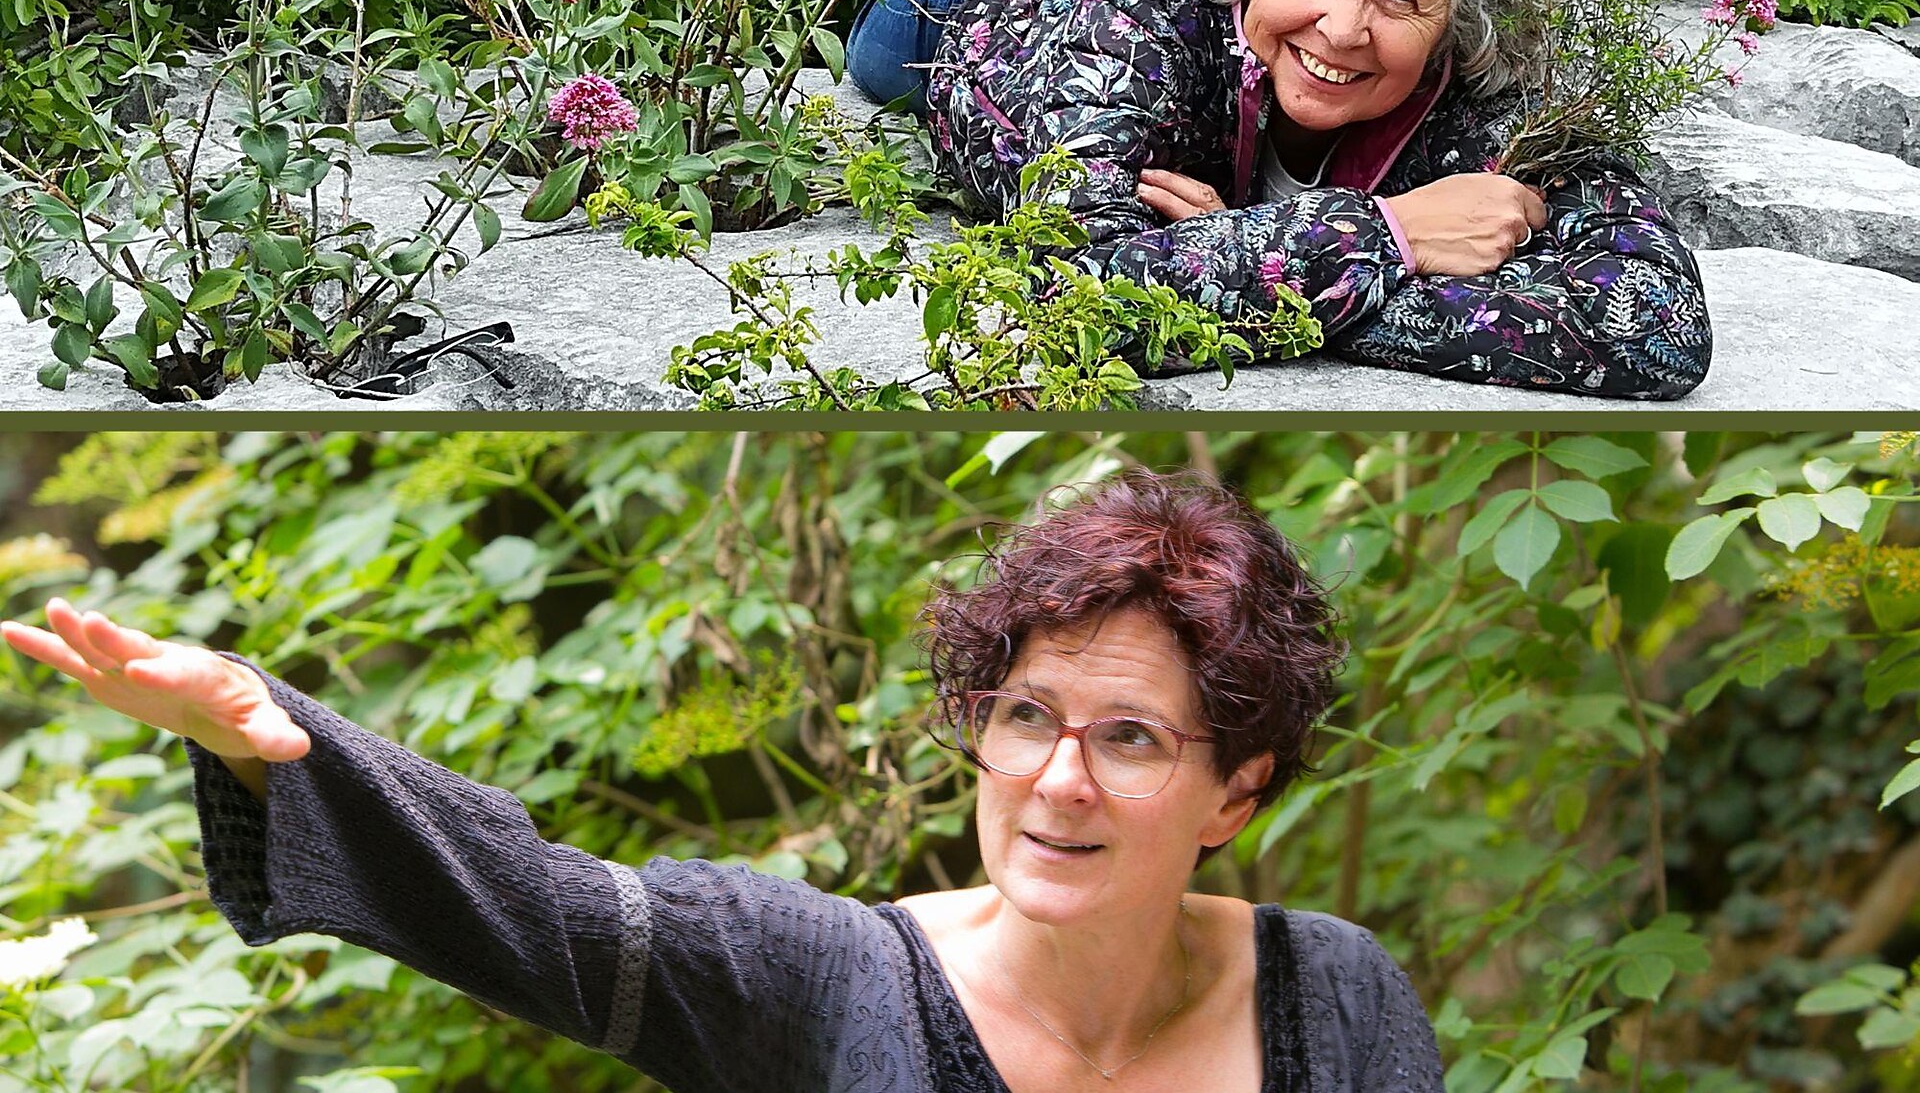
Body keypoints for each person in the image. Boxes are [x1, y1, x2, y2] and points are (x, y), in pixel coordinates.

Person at [1, 471, 1442, 1092]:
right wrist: (265, 731)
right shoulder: (829, 977)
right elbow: (545, 906)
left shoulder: (1336, 999)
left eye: (1128, 739)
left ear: (1238, 792)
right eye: (1025, 716)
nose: (1055, 782)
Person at [845, 0, 1710, 400]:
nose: (1344, 28)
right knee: (889, 35)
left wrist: (1250, 253)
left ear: (1457, 17)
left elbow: (1655, 330)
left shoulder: (1488, 89)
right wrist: (1390, 236)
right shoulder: (1122, 24)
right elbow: (1071, 297)